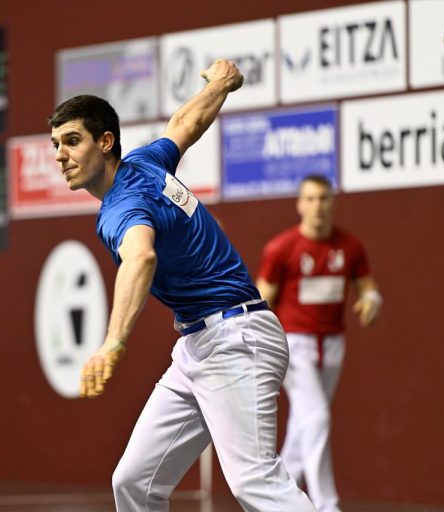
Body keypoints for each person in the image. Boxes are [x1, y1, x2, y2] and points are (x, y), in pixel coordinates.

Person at [49, 59, 316, 511]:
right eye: (56, 144)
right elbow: (185, 122)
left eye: (72, 141)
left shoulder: (120, 207)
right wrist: (222, 84)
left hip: (236, 339)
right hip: (198, 346)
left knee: (255, 482)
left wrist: (112, 344)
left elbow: (141, 256)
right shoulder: (145, 163)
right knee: (134, 481)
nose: (60, 155)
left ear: (105, 142)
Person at [255, 175, 382, 512]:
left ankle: (273, 499)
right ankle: (327, 505)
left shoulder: (350, 246)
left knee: (306, 424)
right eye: (310, 199)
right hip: (294, 345)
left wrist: (372, 301)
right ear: (299, 205)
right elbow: (261, 299)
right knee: (317, 417)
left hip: (334, 344)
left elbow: (368, 288)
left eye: (324, 198)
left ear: (333, 203)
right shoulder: (281, 248)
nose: (317, 206)